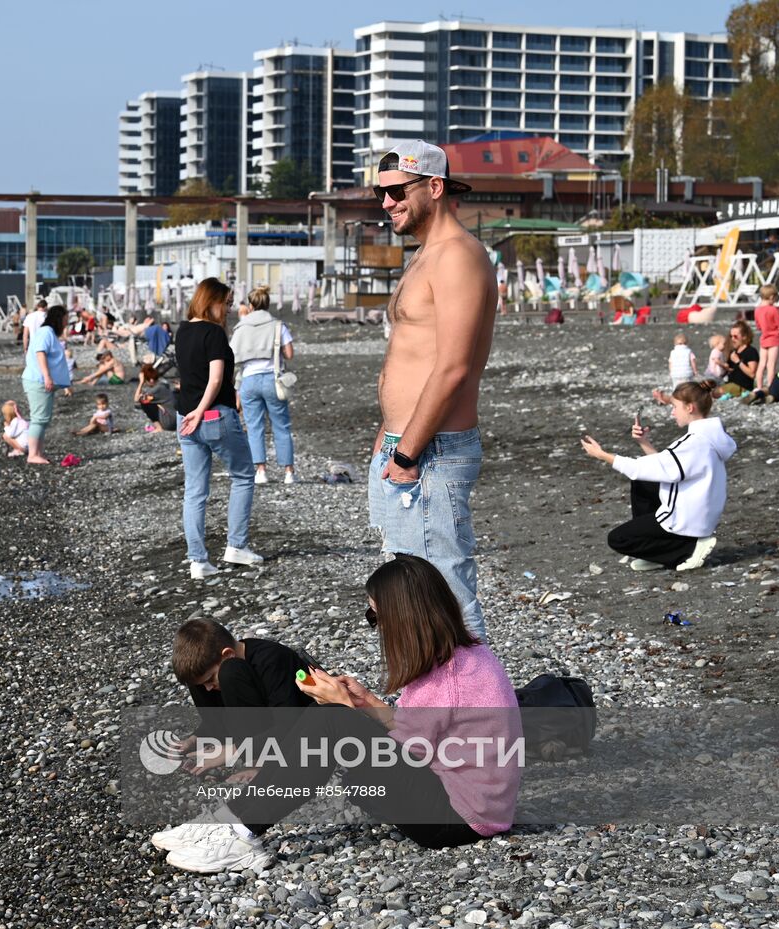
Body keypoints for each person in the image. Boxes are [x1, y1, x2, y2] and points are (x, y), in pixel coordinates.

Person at [161, 555, 520, 873]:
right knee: (332, 720)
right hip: (459, 799)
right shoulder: (460, 659)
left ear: (402, 617)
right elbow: (422, 733)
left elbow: (412, 751)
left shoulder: (451, 678)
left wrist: (347, 710)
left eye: (373, 615)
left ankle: (238, 835)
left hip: (458, 818)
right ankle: (229, 822)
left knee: (331, 722)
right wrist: (367, 703)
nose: (375, 626)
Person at [367, 140, 496, 644]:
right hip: (407, 446)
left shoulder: (458, 257)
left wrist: (408, 450)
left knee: (447, 596)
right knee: (409, 598)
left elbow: (453, 368)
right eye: (381, 193)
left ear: (434, 187)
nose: (386, 203)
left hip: (430, 453)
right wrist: (387, 434)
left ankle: (485, 717)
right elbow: (412, 358)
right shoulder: (426, 256)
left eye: (397, 191)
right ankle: (436, 714)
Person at [149, 618, 315, 854]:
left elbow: (290, 724)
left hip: (303, 738)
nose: (208, 688)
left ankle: (258, 767)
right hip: (261, 735)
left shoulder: (271, 659)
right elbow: (219, 713)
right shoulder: (221, 669)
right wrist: (195, 740)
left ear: (227, 652)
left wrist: (233, 752)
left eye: (209, 679)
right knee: (206, 681)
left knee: (230, 673)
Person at [580, 381, 735, 572]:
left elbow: (639, 467)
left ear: (690, 407)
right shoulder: (710, 438)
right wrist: (643, 442)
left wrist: (602, 455)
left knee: (618, 539)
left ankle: (686, 550)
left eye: (675, 407)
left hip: (687, 520)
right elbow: (663, 468)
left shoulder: (693, 443)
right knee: (643, 481)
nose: (672, 412)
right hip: (699, 515)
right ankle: (658, 550)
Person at [176, 277, 261, 579]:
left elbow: (188, 376)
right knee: (243, 475)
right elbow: (214, 379)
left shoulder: (182, 331)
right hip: (211, 415)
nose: (227, 308)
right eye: (224, 303)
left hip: (183, 417)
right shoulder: (213, 333)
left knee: (195, 491)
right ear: (211, 301)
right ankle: (236, 545)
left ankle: (197, 561)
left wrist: (192, 412)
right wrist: (201, 412)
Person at [230, 284, 296, 485]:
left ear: (250, 305)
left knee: (254, 427)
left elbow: (232, 355)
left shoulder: (241, 327)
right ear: (268, 304)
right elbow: (290, 354)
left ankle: (260, 471)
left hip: (248, 380)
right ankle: (288, 473)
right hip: (272, 378)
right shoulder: (278, 325)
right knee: (281, 426)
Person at [21, 305, 72, 464]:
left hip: (42, 381)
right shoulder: (46, 332)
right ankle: (32, 455)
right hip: (38, 381)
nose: (66, 323)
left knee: (43, 419)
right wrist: (47, 377)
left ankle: (38, 453)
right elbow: (40, 352)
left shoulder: (49, 333)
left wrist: (64, 384)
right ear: (58, 319)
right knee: (38, 419)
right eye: (65, 319)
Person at [748, 285, 779, 403]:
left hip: (764, 338)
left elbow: (758, 325)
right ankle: (770, 387)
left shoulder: (757, 309)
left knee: (762, 364)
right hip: (774, 338)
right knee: (771, 365)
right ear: (771, 297)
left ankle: (759, 386)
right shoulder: (773, 309)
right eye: (775, 298)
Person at [715, 320, 759, 399]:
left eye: (735, 336)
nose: (732, 339)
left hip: (743, 385)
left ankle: (743, 393)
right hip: (731, 383)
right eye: (731, 336)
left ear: (744, 336)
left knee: (715, 393)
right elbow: (730, 370)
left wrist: (738, 362)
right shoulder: (734, 351)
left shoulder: (751, 351)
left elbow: (752, 374)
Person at [134, 363, 177, 432]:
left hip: (170, 422)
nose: (145, 383)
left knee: (145, 404)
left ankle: (159, 427)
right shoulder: (163, 385)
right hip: (176, 420)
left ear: (151, 380)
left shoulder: (157, 389)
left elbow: (136, 400)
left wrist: (141, 383)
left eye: (145, 380)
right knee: (149, 402)